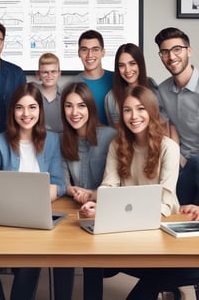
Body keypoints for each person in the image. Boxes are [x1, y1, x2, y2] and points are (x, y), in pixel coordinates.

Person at [79, 85, 180, 300]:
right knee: (91, 260)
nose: (134, 116)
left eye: (140, 109)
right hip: (125, 227)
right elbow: (109, 186)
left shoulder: (169, 148)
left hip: (159, 230)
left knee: (153, 279)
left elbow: (167, 203)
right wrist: (99, 206)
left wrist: (127, 218)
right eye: (127, 110)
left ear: (151, 111)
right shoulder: (118, 145)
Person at [0, 82, 66, 300]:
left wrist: (38, 197)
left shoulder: (52, 141)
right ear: (12, 111)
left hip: (35, 217)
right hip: (2, 217)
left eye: (32, 107)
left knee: (29, 266)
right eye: (20, 108)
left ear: (40, 111)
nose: (26, 114)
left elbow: (59, 183)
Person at [53, 82, 116, 300]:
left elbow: (115, 182)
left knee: (92, 256)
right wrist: (74, 192)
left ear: (90, 107)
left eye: (81, 106)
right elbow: (64, 182)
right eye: (69, 106)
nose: (74, 112)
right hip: (73, 206)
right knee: (61, 252)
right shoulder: (61, 139)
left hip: (102, 207)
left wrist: (90, 194)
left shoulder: (109, 136)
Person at [155, 27, 199, 205]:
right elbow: (169, 128)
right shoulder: (163, 90)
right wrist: (177, 159)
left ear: (189, 50)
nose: (171, 57)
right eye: (165, 52)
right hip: (182, 164)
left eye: (176, 50)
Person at [105, 43, 166, 128]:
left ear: (140, 64)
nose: (127, 70)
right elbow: (118, 132)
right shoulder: (112, 98)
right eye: (122, 65)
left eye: (132, 63)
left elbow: (164, 124)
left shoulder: (153, 87)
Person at [73, 29, 113, 125]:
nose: (90, 55)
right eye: (84, 50)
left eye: (95, 49)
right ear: (78, 53)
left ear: (103, 52)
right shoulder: (72, 85)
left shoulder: (117, 80)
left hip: (116, 138)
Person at [35, 52, 63, 133]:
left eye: (53, 72)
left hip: (60, 140)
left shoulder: (66, 96)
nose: (49, 75)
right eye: (45, 72)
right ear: (38, 74)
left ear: (59, 73)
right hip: (37, 138)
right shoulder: (31, 94)